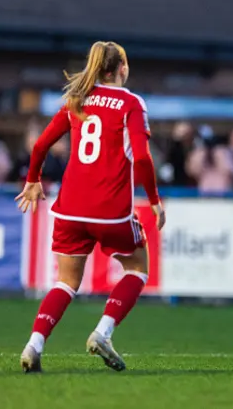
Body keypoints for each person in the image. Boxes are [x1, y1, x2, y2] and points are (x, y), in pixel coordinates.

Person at [16, 41, 165, 373]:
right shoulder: (130, 102)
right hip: (111, 209)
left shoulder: (77, 99)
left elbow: (40, 144)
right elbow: (141, 157)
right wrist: (154, 201)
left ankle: (34, 344)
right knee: (138, 268)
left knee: (66, 281)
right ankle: (103, 332)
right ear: (122, 69)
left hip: (69, 209)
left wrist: (33, 179)